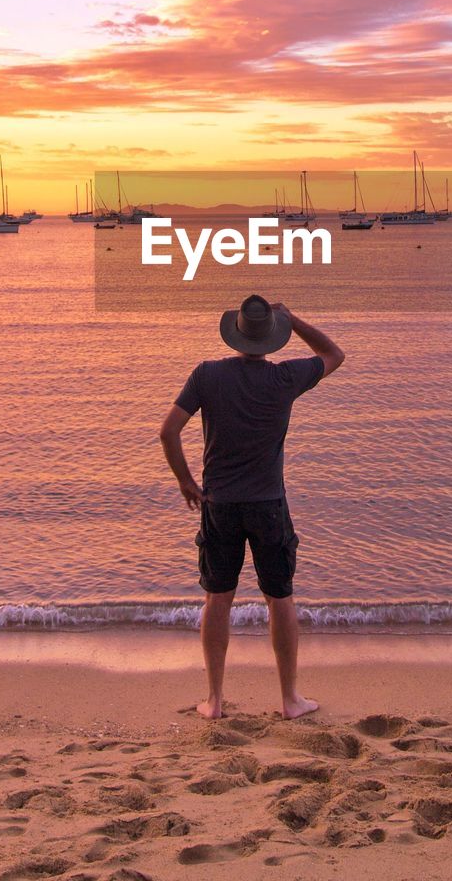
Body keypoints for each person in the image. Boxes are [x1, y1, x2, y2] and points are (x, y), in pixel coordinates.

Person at [159, 295, 345, 720]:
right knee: (279, 598)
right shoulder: (287, 378)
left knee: (217, 599)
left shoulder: (207, 375)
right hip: (268, 506)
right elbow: (334, 354)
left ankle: (214, 699)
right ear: (273, 338)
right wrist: (294, 318)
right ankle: (289, 699)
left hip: (219, 504)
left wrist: (186, 482)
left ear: (236, 334)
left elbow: (168, 432)